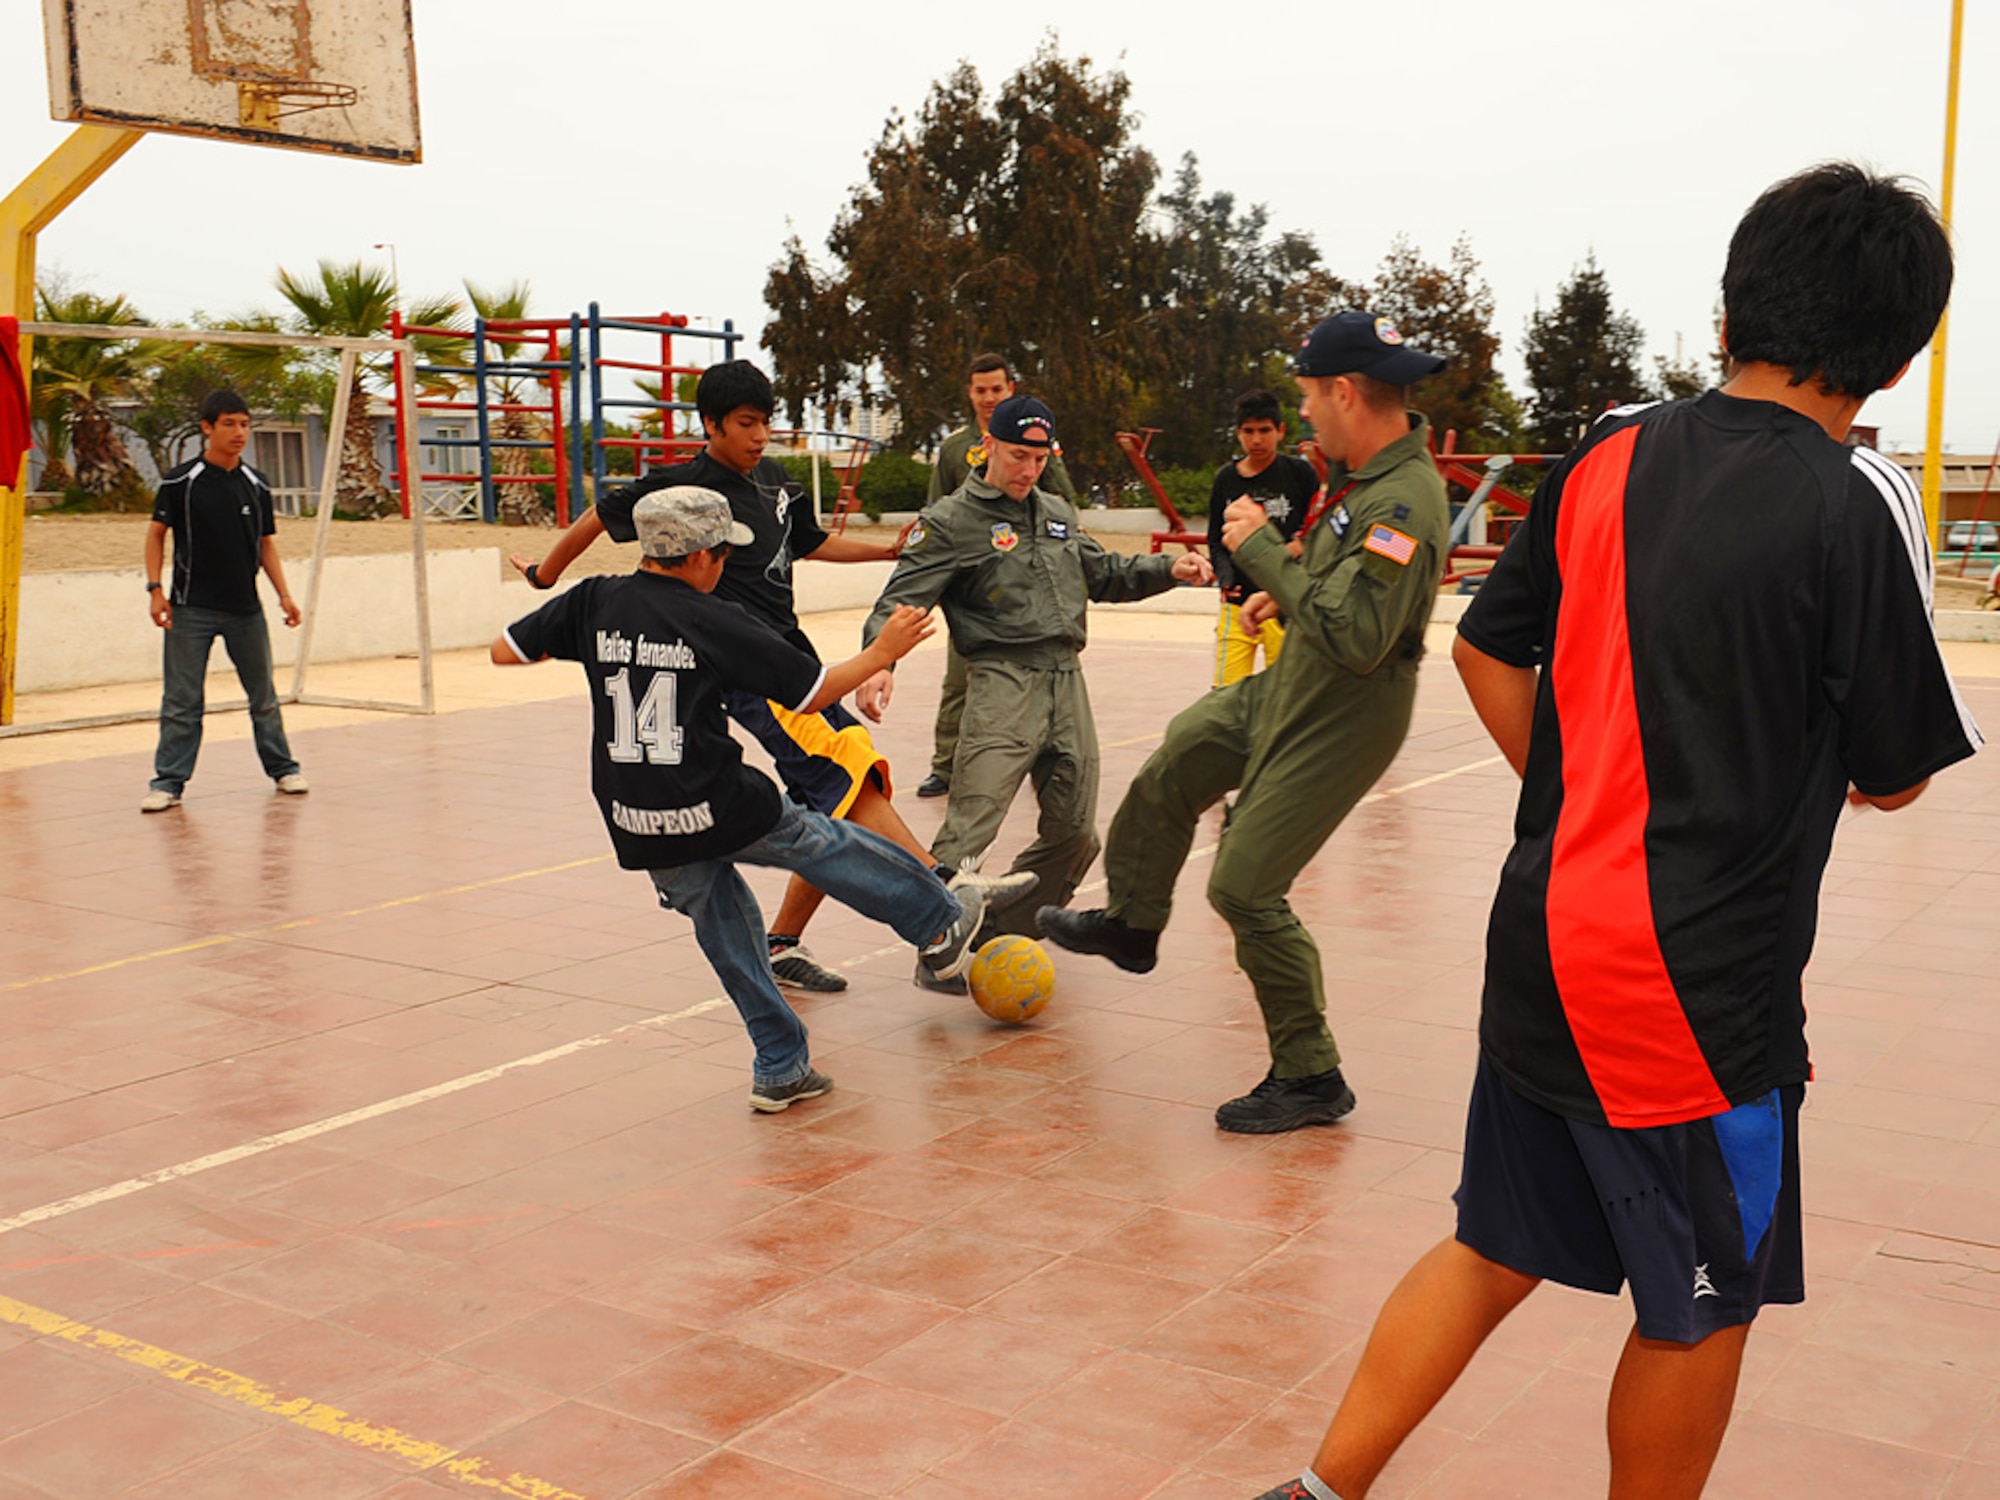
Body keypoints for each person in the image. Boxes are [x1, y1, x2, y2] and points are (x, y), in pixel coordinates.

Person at [1249, 164, 1980, 1500]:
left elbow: (1487, 653)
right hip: (1691, 993)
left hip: (1543, 936)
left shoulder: (1606, 454)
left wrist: (1589, 811)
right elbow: (1894, 777)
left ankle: (1316, 1489)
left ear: (1734, 305)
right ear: (1893, 352)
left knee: (1495, 1245)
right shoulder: (1855, 501)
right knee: (1701, 1301)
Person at [1041, 312, 1450, 1133]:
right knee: (1183, 751)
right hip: (1302, 679)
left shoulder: (1404, 500)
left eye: (1308, 399)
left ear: (1344, 391)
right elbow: (1339, 588)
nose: (1304, 416)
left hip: (1345, 712)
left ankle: (1311, 1075)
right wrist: (1290, 575)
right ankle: (1132, 922)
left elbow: (1360, 637)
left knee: (1245, 887)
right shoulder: (1368, 479)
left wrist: (1263, 551)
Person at [493, 486, 992, 1113]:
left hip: (635, 815)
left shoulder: (594, 600)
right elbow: (811, 692)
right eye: (724, 553)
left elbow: (505, 649)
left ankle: (780, 1064)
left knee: (725, 927)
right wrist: (881, 652)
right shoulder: (714, 618)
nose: (725, 564)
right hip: (714, 800)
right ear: (701, 556)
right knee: (822, 840)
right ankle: (939, 923)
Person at [512, 360, 948, 997]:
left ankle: (782, 942)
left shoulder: (775, 479)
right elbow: (596, 520)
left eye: (766, 422)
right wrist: (544, 578)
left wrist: (884, 551)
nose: (759, 435)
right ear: (711, 424)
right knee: (845, 761)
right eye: (746, 423)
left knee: (819, 801)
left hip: (785, 657)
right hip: (746, 669)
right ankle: (944, 894)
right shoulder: (682, 489)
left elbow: (809, 542)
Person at [863, 396, 1212, 988]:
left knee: (1076, 833)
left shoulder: (1056, 509)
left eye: (1040, 458)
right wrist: (880, 660)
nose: (1029, 470)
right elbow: (903, 597)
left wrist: (1167, 572)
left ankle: (998, 930)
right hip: (1002, 680)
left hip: (1066, 679)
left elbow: (1103, 575)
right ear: (989, 447)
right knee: (971, 827)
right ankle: (937, 942)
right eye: (1018, 456)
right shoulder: (951, 520)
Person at [917, 353, 1082, 799]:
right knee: (958, 680)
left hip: (1027, 576)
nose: (989, 397)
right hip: (972, 580)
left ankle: (1037, 760)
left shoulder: (1034, 438)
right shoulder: (955, 448)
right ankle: (945, 766)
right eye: (980, 390)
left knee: (1039, 678)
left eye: (997, 389)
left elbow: (1061, 497)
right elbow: (935, 508)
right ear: (969, 393)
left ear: (1010, 389)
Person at [140, 389, 306, 812]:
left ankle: (283, 769)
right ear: (207, 428)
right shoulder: (181, 481)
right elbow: (156, 535)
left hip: (246, 612)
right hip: (189, 610)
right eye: (229, 424)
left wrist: (284, 595)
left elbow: (266, 544)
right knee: (182, 701)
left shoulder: (256, 483)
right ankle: (168, 783)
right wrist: (155, 589)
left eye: (245, 424)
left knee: (263, 696)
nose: (239, 433)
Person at [1208, 389, 1318, 687]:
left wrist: (1296, 549)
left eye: (1265, 430)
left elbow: (1318, 534)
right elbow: (1215, 541)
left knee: (1287, 693)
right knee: (1224, 693)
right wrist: (1225, 577)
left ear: (1280, 431)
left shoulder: (1300, 474)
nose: (1257, 439)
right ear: (1238, 434)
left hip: (1283, 601)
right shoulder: (1226, 480)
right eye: (1249, 431)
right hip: (1238, 602)